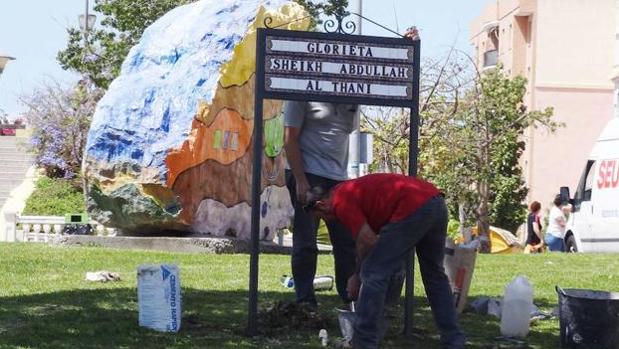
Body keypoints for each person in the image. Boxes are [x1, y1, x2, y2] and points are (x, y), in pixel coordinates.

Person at [284, 26, 421, 309]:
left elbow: (381, 67)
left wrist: (405, 46)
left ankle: (349, 297)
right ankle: (305, 300)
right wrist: (300, 180)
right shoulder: (303, 90)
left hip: (339, 179)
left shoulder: (352, 93)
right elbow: (290, 138)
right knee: (306, 240)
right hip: (308, 172)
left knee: (345, 242)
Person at [306, 173, 465, 349]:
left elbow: (367, 240)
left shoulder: (341, 201)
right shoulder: (352, 190)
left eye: (321, 217)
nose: (326, 221)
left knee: (373, 274)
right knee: (435, 276)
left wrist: (357, 276)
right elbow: (367, 240)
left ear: (321, 204)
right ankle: (454, 341)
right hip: (435, 201)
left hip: (412, 207)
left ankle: (363, 342)